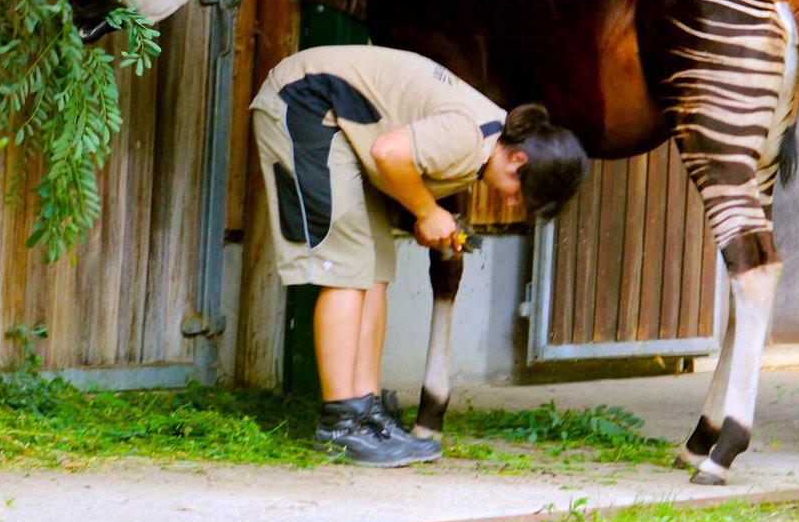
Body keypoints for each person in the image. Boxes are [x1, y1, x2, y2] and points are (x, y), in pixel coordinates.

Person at [251, 44, 589, 467]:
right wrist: (428, 211)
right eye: (524, 195)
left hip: (338, 124)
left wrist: (422, 216)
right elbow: (388, 154)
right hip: (303, 104)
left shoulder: (485, 143)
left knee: (375, 267)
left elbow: (394, 156)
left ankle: (363, 410)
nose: (516, 203)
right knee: (347, 270)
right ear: (518, 160)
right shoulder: (468, 137)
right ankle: (339, 425)